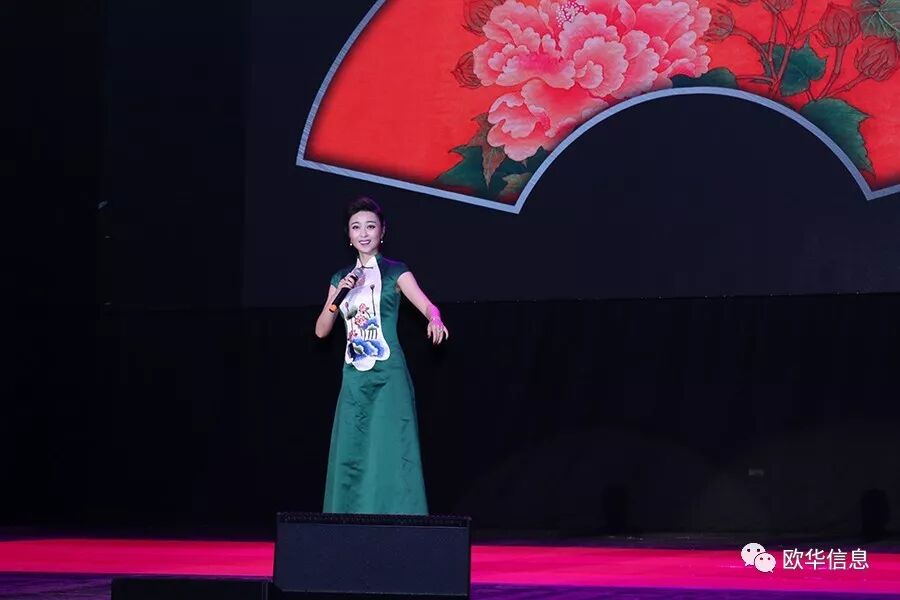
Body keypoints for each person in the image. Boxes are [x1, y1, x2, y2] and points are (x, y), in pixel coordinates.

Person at [314, 197, 449, 515]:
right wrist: (339, 295)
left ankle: (400, 520)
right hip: (353, 377)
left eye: (370, 226)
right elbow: (321, 331)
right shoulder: (340, 278)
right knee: (352, 450)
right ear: (348, 235)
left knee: (392, 448)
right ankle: (347, 520)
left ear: (382, 231)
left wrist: (435, 318)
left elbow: (428, 305)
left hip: (389, 375)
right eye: (356, 227)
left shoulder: (395, 272)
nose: (364, 233)